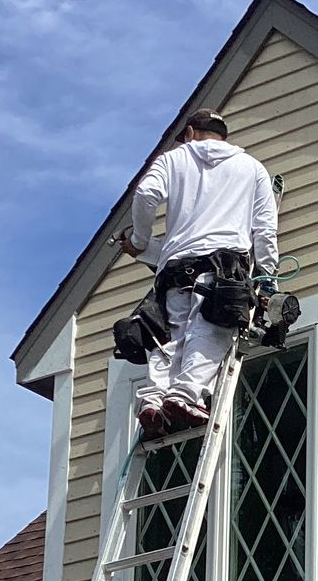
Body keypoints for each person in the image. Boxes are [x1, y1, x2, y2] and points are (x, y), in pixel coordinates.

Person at [117, 109, 279, 437]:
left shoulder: (173, 160)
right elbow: (264, 228)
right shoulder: (252, 169)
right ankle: (184, 395)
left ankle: (152, 401)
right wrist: (267, 278)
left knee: (169, 339)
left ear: (190, 132)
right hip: (224, 268)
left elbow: (146, 194)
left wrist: (139, 240)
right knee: (211, 330)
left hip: (175, 268)